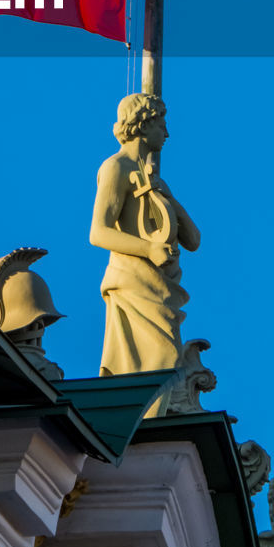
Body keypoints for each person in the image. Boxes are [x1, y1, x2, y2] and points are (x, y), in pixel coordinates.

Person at [89, 94, 201, 400]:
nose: (166, 133)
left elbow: (193, 239)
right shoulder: (116, 168)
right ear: (143, 124)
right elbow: (98, 233)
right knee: (160, 359)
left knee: (166, 361)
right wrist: (148, 249)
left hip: (160, 287)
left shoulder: (155, 182)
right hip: (132, 282)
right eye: (161, 125)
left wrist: (165, 195)